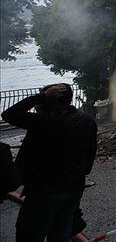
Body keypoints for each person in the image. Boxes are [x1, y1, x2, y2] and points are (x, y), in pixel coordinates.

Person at [1, 83, 97, 242]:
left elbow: (9, 114)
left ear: (50, 103)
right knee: (61, 236)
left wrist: (42, 96)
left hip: (43, 192)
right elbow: (90, 155)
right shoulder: (87, 121)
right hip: (74, 189)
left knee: (29, 236)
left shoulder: (44, 122)